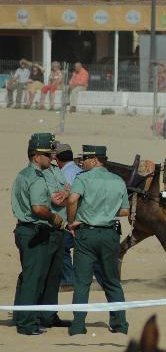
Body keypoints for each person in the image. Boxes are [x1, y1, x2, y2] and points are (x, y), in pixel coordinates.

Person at [66, 144, 130, 336]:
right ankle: (119, 324)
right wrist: (106, 212)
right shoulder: (118, 180)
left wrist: (71, 222)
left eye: (84, 159)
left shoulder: (83, 178)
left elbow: (71, 200)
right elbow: (125, 211)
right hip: (110, 235)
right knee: (112, 281)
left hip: (87, 234)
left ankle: (78, 326)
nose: (82, 163)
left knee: (82, 282)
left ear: (94, 160)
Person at [11, 133, 67, 335]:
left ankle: (45, 316)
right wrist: (53, 218)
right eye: (47, 154)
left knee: (46, 276)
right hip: (34, 229)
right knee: (33, 278)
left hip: (37, 231)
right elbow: (38, 208)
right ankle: (27, 323)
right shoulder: (34, 177)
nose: (52, 158)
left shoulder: (28, 174)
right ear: (36, 156)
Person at [51, 142, 87, 290]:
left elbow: (70, 199)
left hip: (72, 219)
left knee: (62, 247)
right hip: (85, 218)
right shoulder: (79, 170)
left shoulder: (64, 174)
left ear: (57, 159)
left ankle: (67, 280)